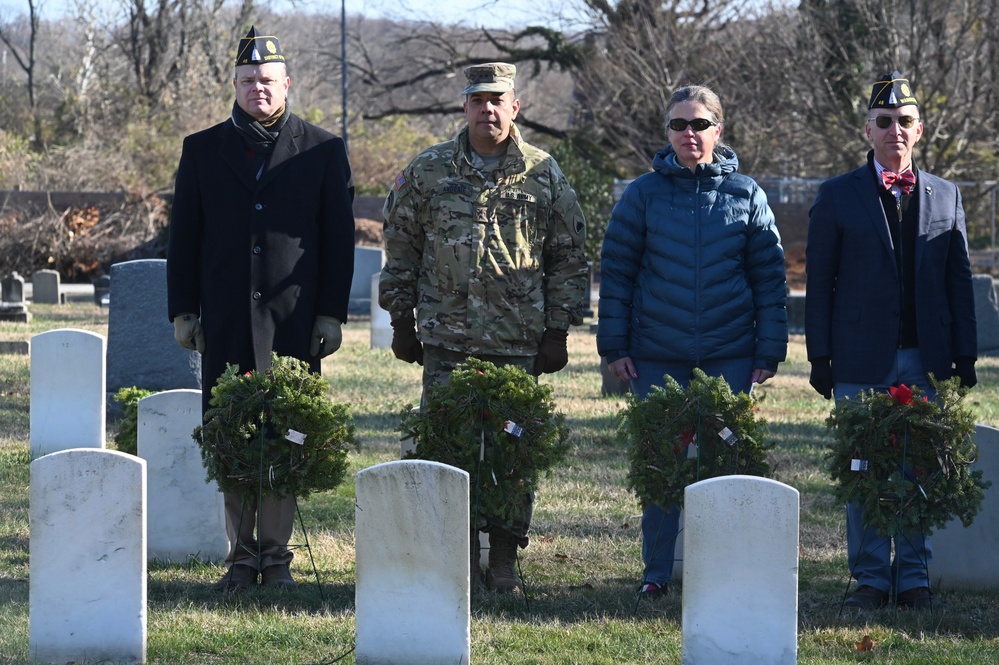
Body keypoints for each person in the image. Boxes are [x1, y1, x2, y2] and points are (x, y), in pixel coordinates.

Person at [379, 62, 588, 592]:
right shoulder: (428, 170)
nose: (488, 109)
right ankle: (460, 557)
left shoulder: (543, 173)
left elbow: (568, 256)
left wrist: (557, 332)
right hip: (447, 343)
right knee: (448, 449)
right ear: (464, 107)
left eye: (498, 100)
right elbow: (401, 247)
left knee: (511, 454)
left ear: (515, 107)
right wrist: (402, 320)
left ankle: (503, 561)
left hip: (518, 343)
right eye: (478, 100)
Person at [167, 26, 355, 591]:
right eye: (248, 80)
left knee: (285, 432)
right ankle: (240, 554)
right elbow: (184, 236)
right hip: (223, 317)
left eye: (268, 80)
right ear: (234, 84)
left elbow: (337, 240)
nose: (259, 89)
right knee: (231, 432)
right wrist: (183, 310)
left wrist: (331, 314)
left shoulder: (322, 149)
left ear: (287, 84)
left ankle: (276, 556)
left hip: (293, 321)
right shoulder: (201, 149)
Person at [597, 84, 788, 597]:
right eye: (679, 125)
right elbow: (617, 273)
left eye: (699, 125)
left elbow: (769, 279)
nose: (689, 134)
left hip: (730, 355)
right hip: (657, 356)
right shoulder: (642, 195)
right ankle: (656, 574)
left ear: (717, 131)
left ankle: (725, 572)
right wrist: (615, 346)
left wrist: (768, 350)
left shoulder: (746, 194)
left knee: (726, 466)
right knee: (662, 467)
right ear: (667, 134)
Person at [805, 70, 977, 611]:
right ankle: (871, 578)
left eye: (904, 122)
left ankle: (915, 577)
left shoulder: (946, 196)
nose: (894, 131)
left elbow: (959, 281)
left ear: (919, 130)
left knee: (921, 469)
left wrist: (965, 353)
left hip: (927, 358)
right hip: (860, 359)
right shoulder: (836, 196)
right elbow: (820, 284)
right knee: (866, 470)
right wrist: (819, 356)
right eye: (884, 122)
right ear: (867, 130)